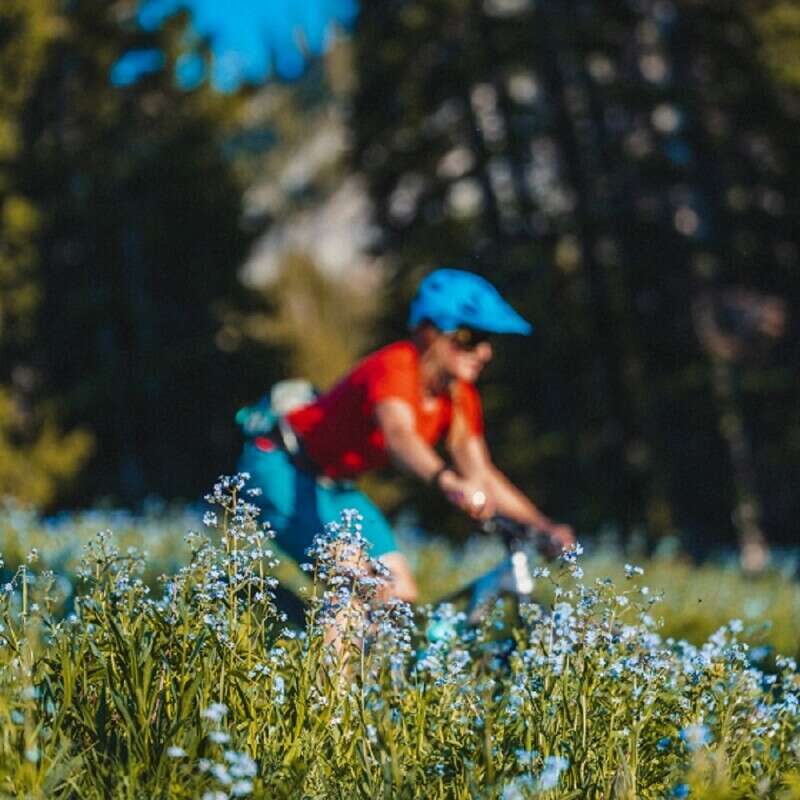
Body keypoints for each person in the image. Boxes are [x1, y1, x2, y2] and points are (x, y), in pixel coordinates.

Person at [238, 268, 575, 603]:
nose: (485, 352)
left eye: (488, 341)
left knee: (400, 595)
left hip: (336, 486)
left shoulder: (458, 396)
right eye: (472, 338)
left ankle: (323, 638)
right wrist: (447, 481)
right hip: (281, 465)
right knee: (363, 587)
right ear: (431, 332)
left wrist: (543, 527)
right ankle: (301, 646)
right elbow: (399, 436)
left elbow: (482, 474)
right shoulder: (396, 367)